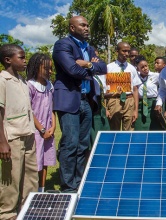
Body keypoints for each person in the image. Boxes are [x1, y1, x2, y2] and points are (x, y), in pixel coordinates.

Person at [52, 16, 107, 192]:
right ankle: (68, 187)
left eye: (87, 24)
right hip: (69, 100)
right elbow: (72, 70)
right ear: (72, 28)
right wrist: (91, 67)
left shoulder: (89, 48)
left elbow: (103, 68)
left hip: (86, 101)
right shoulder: (63, 45)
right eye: (82, 25)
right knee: (70, 143)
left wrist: (88, 63)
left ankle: (78, 182)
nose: (87, 28)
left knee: (83, 145)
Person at [0, 44, 38, 219]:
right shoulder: (2, 80)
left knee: (30, 176)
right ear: (8, 60)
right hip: (13, 137)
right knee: (12, 178)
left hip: (28, 134)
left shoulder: (22, 80)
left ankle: (28, 208)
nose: (25, 61)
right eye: (21, 58)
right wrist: (2, 142)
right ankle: (7, 213)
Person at [26, 53, 56, 193]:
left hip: (48, 130)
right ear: (37, 68)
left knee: (45, 160)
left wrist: (53, 127)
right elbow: (30, 111)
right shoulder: (30, 86)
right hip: (36, 130)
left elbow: (51, 108)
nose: (50, 71)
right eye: (46, 69)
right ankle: (31, 191)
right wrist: (42, 130)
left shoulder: (50, 86)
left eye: (51, 68)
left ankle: (41, 189)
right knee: (36, 160)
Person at [105, 42, 142, 131]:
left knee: (129, 131)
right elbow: (105, 90)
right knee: (114, 130)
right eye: (124, 51)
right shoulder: (109, 67)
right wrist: (106, 108)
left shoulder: (132, 68)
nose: (126, 54)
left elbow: (135, 89)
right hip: (114, 101)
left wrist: (135, 110)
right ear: (117, 51)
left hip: (129, 101)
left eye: (128, 51)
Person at [134, 56, 162, 130]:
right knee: (139, 127)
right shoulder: (136, 77)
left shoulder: (156, 76)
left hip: (152, 103)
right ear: (138, 68)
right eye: (142, 67)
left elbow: (163, 88)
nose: (145, 68)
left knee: (153, 126)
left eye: (146, 66)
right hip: (140, 104)